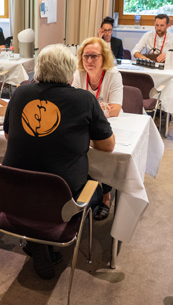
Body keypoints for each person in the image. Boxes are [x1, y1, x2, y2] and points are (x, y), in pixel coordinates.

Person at [3, 44, 115, 279]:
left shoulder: (20, 93)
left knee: (40, 178)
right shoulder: (84, 100)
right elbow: (108, 146)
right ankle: (42, 236)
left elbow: (7, 134)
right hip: (63, 200)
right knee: (98, 185)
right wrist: (81, 137)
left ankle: (37, 239)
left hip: (15, 193)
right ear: (70, 72)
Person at [71, 36, 123, 221]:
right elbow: (73, 103)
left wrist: (92, 111)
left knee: (105, 151)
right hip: (85, 122)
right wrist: (96, 109)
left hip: (109, 123)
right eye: (86, 56)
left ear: (104, 57)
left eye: (94, 56)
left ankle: (106, 197)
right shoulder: (79, 74)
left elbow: (115, 109)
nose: (89, 60)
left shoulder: (113, 75)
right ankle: (86, 188)